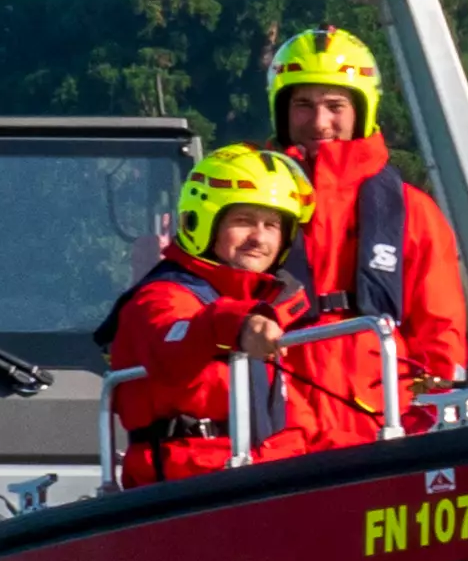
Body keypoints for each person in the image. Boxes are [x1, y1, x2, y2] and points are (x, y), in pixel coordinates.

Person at [101, 145, 386, 480]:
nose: (259, 238)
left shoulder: (265, 315)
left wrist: (394, 449)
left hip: (266, 486)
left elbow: (302, 432)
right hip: (192, 496)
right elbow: (173, 341)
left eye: (272, 225)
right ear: (203, 222)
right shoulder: (160, 297)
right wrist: (236, 325)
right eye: (243, 221)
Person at [256, 24, 465, 407]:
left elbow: (440, 330)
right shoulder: (247, 204)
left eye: (335, 106)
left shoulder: (411, 211)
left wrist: (432, 412)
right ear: (281, 111)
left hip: (381, 417)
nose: (319, 122)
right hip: (279, 418)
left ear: (362, 110)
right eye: (303, 105)